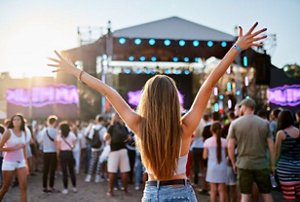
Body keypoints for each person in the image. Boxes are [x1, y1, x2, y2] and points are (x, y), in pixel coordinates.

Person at [48, 22, 267, 201]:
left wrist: (75, 71)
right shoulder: (185, 126)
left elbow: (108, 91)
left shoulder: (139, 125)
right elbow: (210, 83)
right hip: (181, 192)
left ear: (147, 100)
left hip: (152, 192)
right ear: (173, 100)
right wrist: (237, 48)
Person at [227, 98, 275, 202]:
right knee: (267, 194)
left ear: (244, 107)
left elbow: (230, 146)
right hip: (261, 164)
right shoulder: (264, 123)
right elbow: (272, 146)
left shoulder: (235, 124)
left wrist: (234, 163)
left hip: (243, 164)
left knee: (245, 196)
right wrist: (272, 165)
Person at [0, 114, 29, 202]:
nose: (16, 121)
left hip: (21, 162)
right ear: (12, 122)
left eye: (18, 119)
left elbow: (23, 148)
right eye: (14, 120)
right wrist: (14, 148)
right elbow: (0, 148)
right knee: (5, 187)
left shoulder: (24, 132)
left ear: (22, 122)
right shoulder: (8, 132)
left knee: (23, 187)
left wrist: (26, 163)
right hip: (9, 162)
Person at [275, 110, 300, 201]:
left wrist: (273, 166)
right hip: (298, 168)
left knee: (289, 197)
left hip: (285, 169)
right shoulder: (298, 131)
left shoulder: (281, 133)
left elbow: (277, 152)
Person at [104, 113, 130, 196]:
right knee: (124, 171)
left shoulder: (111, 127)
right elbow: (129, 138)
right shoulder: (124, 127)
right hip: (124, 150)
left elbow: (106, 138)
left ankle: (110, 191)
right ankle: (126, 190)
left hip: (114, 151)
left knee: (112, 172)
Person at [203, 122, 227, 202]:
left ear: (211, 130)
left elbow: (204, 156)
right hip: (223, 167)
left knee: (213, 190)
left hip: (212, 168)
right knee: (222, 190)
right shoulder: (225, 141)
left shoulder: (207, 141)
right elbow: (227, 154)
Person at [56, 121, 77, 194]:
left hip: (62, 153)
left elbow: (58, 147)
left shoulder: (59, 136)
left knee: (64, 172)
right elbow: (74, 145)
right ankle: (74, 187)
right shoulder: (72, 134)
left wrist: (58, 155)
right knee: (72, 171)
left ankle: (65, 188)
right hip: (69, 153)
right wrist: (70, 147)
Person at [41, 115, 59, 193]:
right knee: (52, 170)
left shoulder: (43, 131)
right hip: (53, 152)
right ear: (54, 122)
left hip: (45, 152)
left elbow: (40, 141)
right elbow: (57, 142)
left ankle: (44, 187)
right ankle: (51, 186)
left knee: (45, 170)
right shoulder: (56, 131)